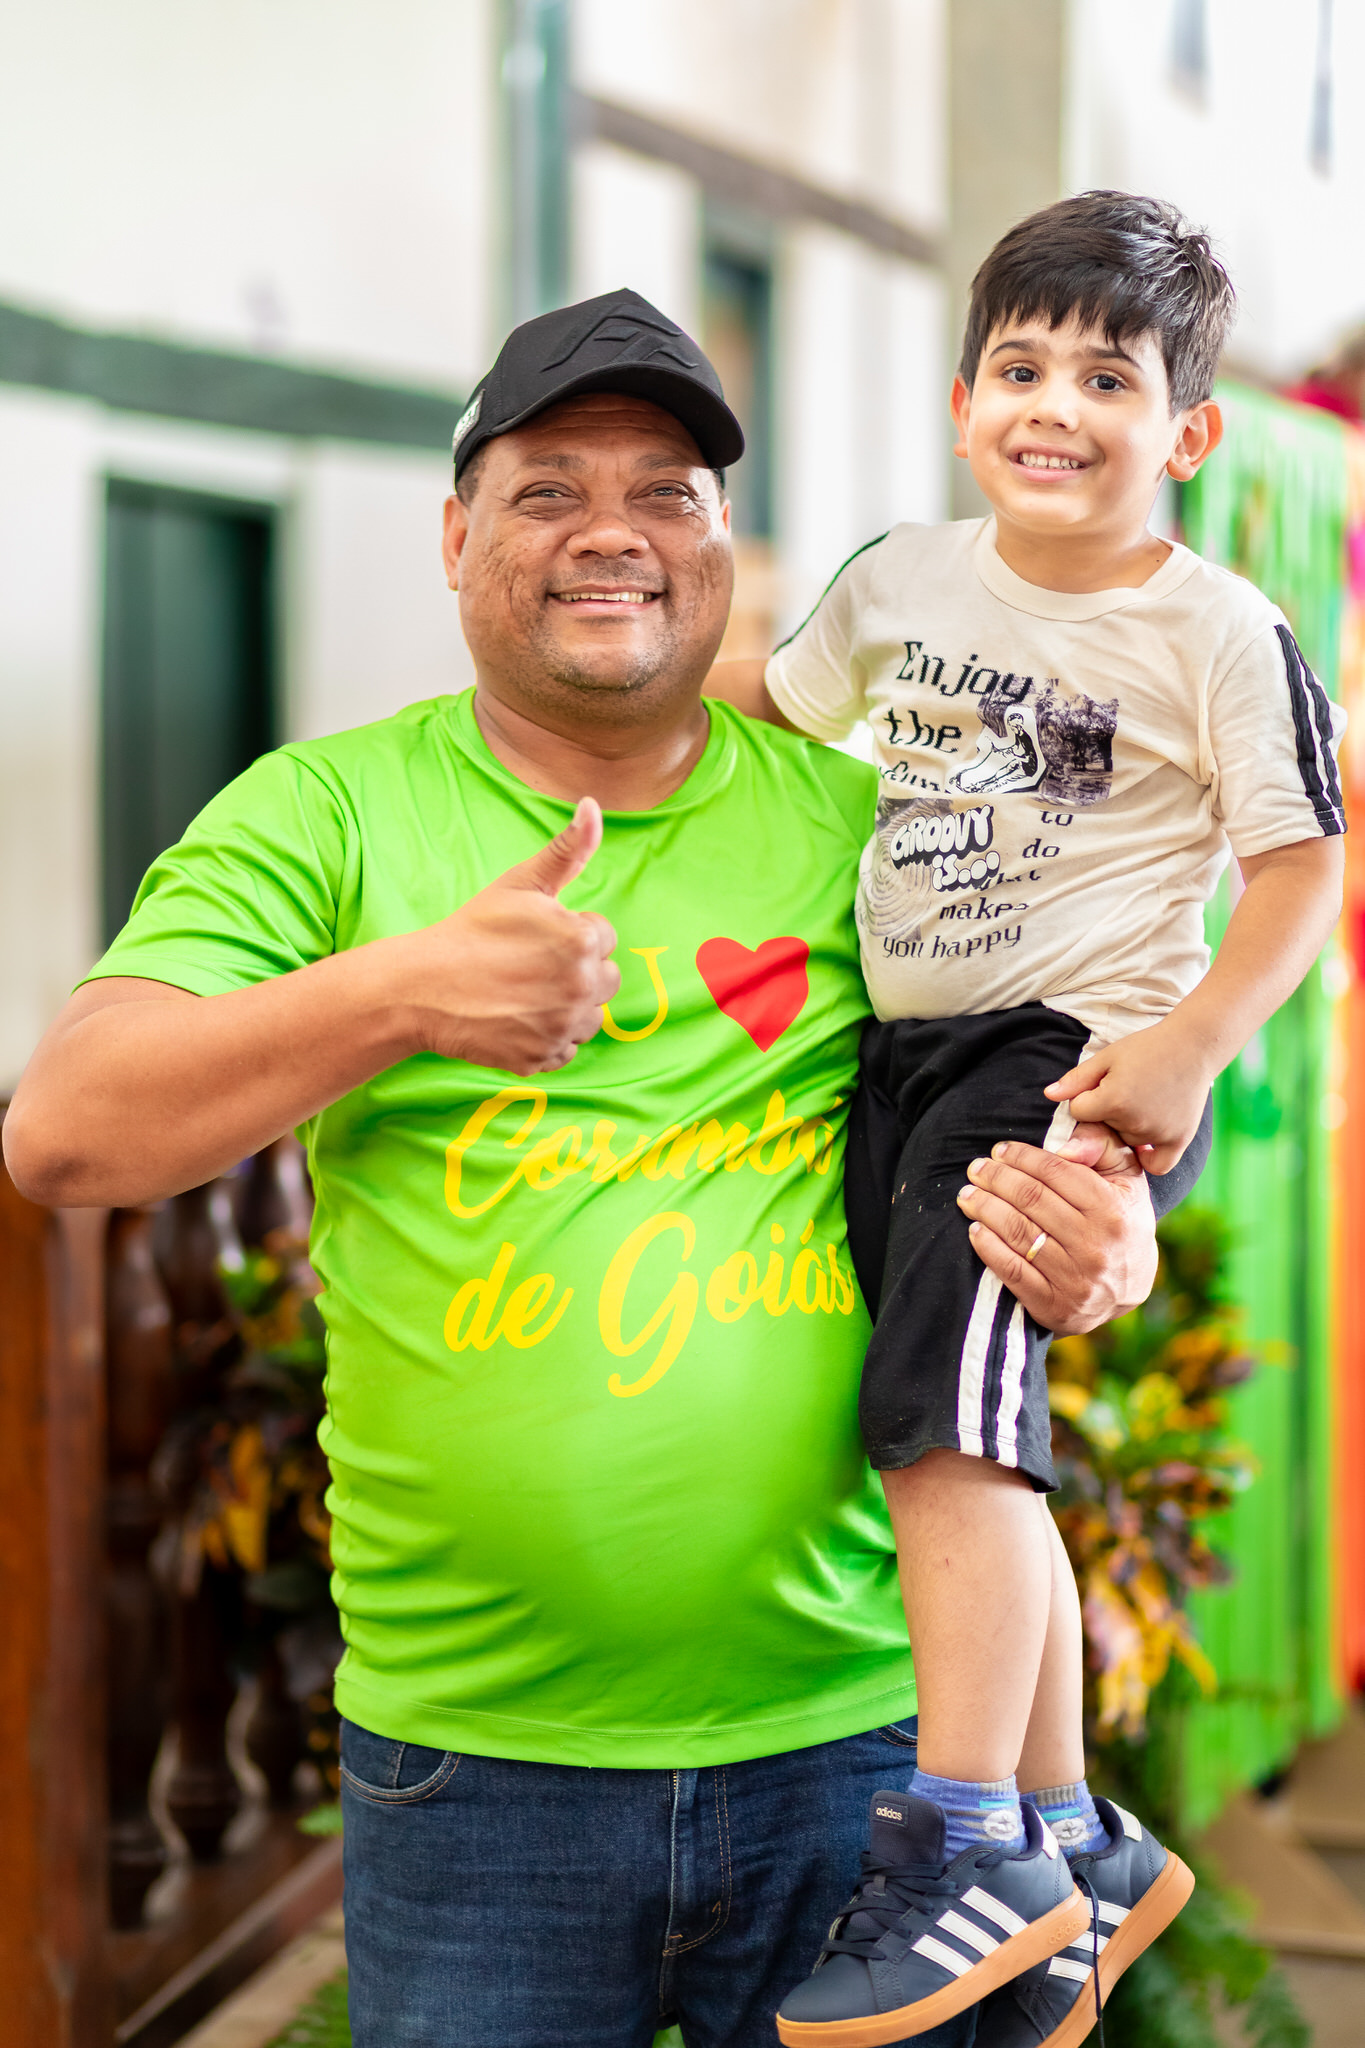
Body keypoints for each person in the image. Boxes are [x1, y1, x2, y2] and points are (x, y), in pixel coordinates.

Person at [6, 289, 1170, 2048]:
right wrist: (404, 991)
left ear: (721, 547)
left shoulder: (863, 826)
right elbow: (68, 1132)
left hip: (862, 1752)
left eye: (666, 492)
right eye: (547, 489)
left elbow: (1074, 1065)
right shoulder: (324, 815)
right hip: (477, 1779)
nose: (611, 531)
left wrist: (1114, 1234)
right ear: (455, 536)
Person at [707, 194, 1346, 2048]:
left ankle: (963, 1839)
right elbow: (773, 724)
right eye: (1018, 367)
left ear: (1186, 429)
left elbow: (1301, 871)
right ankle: (1070, 1835)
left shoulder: (1215, 629)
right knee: (964, 1429)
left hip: (1067, 1062)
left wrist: (1189, 1049)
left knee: (942, 1434)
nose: (1053, 406)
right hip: (906, 1057)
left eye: (1106, 378)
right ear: (962, 399)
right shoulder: (898, 582)